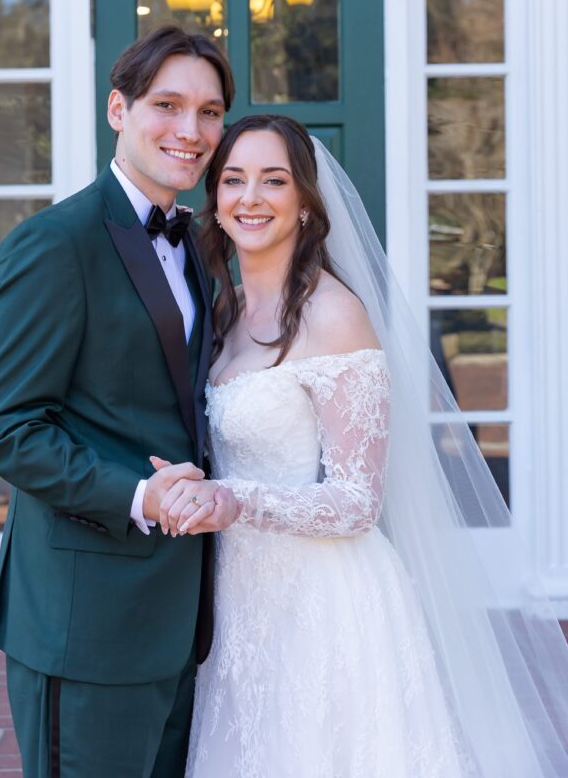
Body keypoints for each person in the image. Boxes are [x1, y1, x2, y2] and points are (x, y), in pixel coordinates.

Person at [156, 115, 568, 777]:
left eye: (273, 180)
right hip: (239, 594)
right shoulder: (224, 308)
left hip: (323, 598)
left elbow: (355, 502)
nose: (249, 197)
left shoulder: (333, 315)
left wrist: (231, 500)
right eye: (232, 179)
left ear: (306, 204)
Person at [0, 25, 241, 778]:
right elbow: (1, 425)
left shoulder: (195, 245)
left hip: (181, 617)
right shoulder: (55, 243)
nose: (190, 131)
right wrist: (139, 494)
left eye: (210, 112)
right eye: (167, 105)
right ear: (117, 109)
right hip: (85, 621)